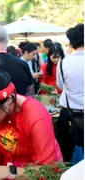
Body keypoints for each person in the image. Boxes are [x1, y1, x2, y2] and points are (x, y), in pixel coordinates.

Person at [0, 56, 62, 180]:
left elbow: (49, 170)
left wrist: (9, 171)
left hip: (32, 172)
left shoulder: (35, 115)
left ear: (8, 99)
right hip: (5, 170)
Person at [56, 23, 84, 162]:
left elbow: (60, 85)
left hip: (68, 115)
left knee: (65, 156)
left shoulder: (63, 63)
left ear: (71, 43)